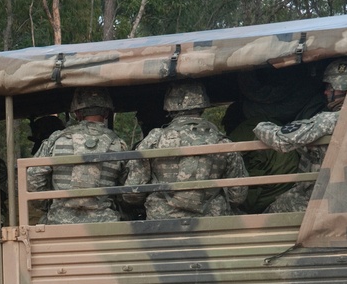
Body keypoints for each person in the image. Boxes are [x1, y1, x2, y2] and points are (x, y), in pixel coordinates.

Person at [124, 81, 248, 219]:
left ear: (169, 107)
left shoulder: (154, 140)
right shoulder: (224, 143)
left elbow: (132, 193)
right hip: (211, 222)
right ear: (203, 106)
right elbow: (238, 196)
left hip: (162, 223)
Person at [253, 58, 347, 213]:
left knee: (273, 212)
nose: (326, 92)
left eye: (329, 87)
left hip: (326, 196)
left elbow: (281, 140)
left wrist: (261, 126)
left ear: (343, 88)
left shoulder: (332, 119)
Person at [27, 87, 128, 224]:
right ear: (106, 113)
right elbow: (128, 192)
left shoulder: (55, 140)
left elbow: (33, 179)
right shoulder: (119, 145)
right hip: (105, 222)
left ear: (77, 113)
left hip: (59, 221)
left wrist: (49, 205)